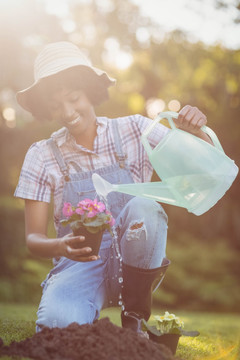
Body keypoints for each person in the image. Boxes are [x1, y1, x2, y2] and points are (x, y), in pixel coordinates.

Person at [14, 41, 212, 335]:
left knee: (145, 206)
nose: (68, 112)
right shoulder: (42, 155)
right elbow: (33, 238)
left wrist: (197, 133)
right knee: (57, 328)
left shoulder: (134, 129)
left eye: (74, 98)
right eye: (56, 106)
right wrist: (59, 246)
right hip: (78, 266)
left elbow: (203, 166)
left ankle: (134, 317)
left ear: (90, 92)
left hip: (135, 263)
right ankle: (84, 309)